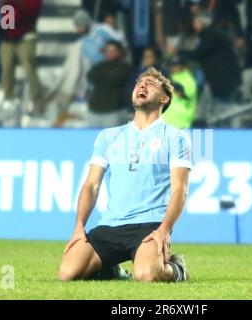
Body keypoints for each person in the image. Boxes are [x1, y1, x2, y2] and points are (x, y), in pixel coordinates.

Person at [58, 67, 192, 283]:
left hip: (150, 225)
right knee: (67, 274)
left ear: (164, 98)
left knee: (146, 275)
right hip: (110, 225)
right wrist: (79, 227)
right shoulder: (109, 136)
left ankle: (177, 268)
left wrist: (164, 230)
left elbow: (180, 190)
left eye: (150, 83)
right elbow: (92, 185)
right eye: (139, 83)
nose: (142, 85)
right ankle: (112, 271)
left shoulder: (175, 137)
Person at [0, 0, 43, 114]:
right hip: (8, 38)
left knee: (30, 70)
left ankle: (37, 101)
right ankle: (8, 99)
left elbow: (33, 11)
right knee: (6, 71)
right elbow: (2, 10)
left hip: (25, 37)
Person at [86, 40, 133, 128]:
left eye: (113, 51)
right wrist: (106, 76)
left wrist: (101, 78)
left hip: (113, 111)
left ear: (119, 52)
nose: (110, 53)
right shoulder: (99, 65)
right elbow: (90, 76)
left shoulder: (124, 67)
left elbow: (114, 81)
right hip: (94, 110)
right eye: (108, 51)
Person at [162, 57, 198, 129]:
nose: (174, 67)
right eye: (172, 65)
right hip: (167, 120)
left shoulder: (188, 79)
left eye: (177, 65)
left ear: (183, 66)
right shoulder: (169, 77)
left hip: (181, 121)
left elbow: (184, 94)